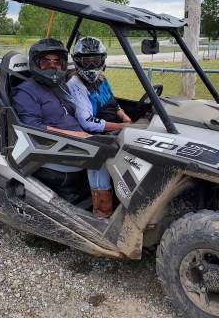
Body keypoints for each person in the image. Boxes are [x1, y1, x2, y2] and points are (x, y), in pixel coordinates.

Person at [12, 38, 113, 218]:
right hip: (51, 149)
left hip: (75, 141)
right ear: (36, 64)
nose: (53, 65)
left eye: (57, 61)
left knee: (118, 146)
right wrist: (78, 135)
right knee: (102, 156)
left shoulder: (60, 85)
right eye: (46, 61)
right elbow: (33, 127)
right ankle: (102, 214)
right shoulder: (26, 91)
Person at [67, 36, 132, 134]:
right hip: (102, 135)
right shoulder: (75, 85)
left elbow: (113, 103)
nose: (91, 65)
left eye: (95, 61)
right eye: (87, 62)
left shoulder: (101, 79)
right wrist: (121, 126)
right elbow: (87, 122)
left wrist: (124, 117)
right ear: (77, 61)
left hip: (115, 126)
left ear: (102, 60)